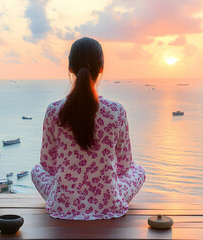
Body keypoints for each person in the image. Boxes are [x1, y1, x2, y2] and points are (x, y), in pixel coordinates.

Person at [31, 37, 145, 220]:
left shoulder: (53, 111)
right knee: (139, 171)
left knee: (36, 170)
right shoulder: (116, 111)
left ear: (70, 68)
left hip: (62, 204)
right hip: (109, 204)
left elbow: (48, 166)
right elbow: (124, 166)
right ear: (101, 69)